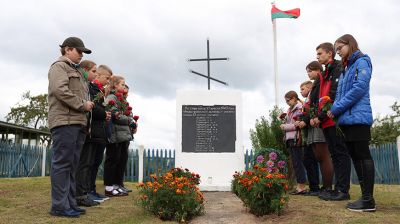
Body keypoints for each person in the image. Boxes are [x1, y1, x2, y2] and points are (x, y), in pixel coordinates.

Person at [328, 34, 376, 212]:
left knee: (363, 156)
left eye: (340, 48)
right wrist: (335, 109)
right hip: (347, 119)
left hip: (358, 117)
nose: (338, 52)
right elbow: (341, 94)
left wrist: (336, 108)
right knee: (356, 157)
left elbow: (359, 88)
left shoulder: (362, 61)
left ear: (350, 44)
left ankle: (368, 200)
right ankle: (365, 198)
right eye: (336, 50)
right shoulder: (346, 68)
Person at [48, 37, 94, 217]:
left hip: (76, 123)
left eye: (83, 52)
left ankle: (70, 203)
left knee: (72, 165)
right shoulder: (58, 67)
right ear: (67, 49)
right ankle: (59, 206)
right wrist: (83, 105)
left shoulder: (75, 70)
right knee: (62, 164)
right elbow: (60, 91)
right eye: (79, 51)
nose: (81, 54)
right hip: (64, 122)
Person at [313, 43, 351, 201]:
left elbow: (334, 94)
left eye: (320, 53)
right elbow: (321, 96)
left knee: (341, 154)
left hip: (334, 118)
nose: (317, 56)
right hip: (326, 120)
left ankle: (343, 190)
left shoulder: (337, 67)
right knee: (335, 154)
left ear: (330, 54)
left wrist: (320, 116)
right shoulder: (324, 72)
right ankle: (337, 188)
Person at [75, 61, 109, 206]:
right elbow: (93, 108)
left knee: (92, 163)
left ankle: (88, 191)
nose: (95, 75)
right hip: (90, 130)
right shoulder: (88, 87)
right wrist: (104, 113)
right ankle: (82, 193)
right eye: (94, 71)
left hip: (97, 131)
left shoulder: (94, 88)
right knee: (86, 163)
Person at [301, 62, 335, 197]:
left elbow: (319, 102)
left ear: (317, 70)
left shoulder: (321, 82)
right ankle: (324, 187)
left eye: (310, 71)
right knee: (319, 156)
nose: (308, 74)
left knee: (323, 156)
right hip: (313, 121)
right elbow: (311, 105)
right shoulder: (316, 84)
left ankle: (327, 187)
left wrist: (316, 117)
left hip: (320, 121)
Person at [103, 75, 133, 196]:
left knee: (120, 160)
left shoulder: (119, 99)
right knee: (113, 161)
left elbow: (123, 114)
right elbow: (115, 114)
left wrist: (130, 121)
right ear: (115, 85)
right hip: (115, 134)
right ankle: (110, 187)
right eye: (122, 84)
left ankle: (117, 184)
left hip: (122, 134)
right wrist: (130, 120)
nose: (124, 86)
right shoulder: (111, 97)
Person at [89, 65, 113, 200]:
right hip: (94, 130)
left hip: (101, 131)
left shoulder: (100, 90)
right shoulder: (92, 89)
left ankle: (91, 190)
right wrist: (104, 114)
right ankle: (87, 190)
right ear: (98, 75)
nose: (108, 81)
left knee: (96, 162)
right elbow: (93, 108)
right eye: (107, 78)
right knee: (90, 163)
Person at [296, 81, 321, 196]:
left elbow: (312, 111)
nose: (300, 92)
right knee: (308, 160)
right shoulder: (306, 100)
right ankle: (313, 186)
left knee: (310, 159)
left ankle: (315, 187)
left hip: (313, 130)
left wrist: (303, 120)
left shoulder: (311, 99)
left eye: (302, 89)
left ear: (310, 88)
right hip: (308, 133)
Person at [280, 91, 307, 194]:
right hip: (290, 138)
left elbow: (297, 124)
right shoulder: (290, 110)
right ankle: (299, 185)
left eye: (288, 100)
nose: (287, 102)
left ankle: (302, 186)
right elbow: (290, 122)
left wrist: (285, 127)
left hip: (296, 137)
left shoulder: (300, 108)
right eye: (286, 101)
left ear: (294, 98)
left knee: (298, 162)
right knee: (295, 163)